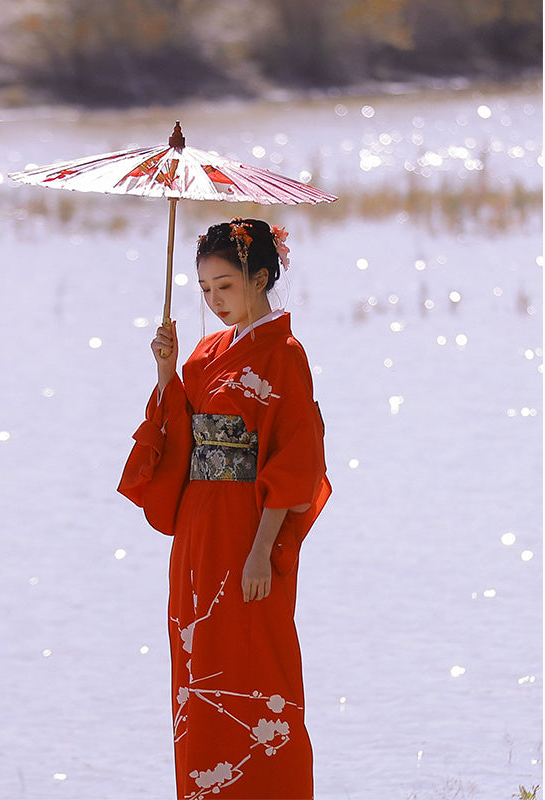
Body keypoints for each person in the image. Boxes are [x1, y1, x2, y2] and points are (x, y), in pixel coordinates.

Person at [118, 218, 330, 800]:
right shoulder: (209, 352)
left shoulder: (285, 353)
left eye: (226, 287)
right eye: (206, 289)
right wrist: (168, 372)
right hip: (199, 531)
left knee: (257, 665)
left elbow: (297, 456)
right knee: (197, 666)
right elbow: (180, 436)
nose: (214, 302)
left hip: (248, 530)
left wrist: (263, 549)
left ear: (260, 278)